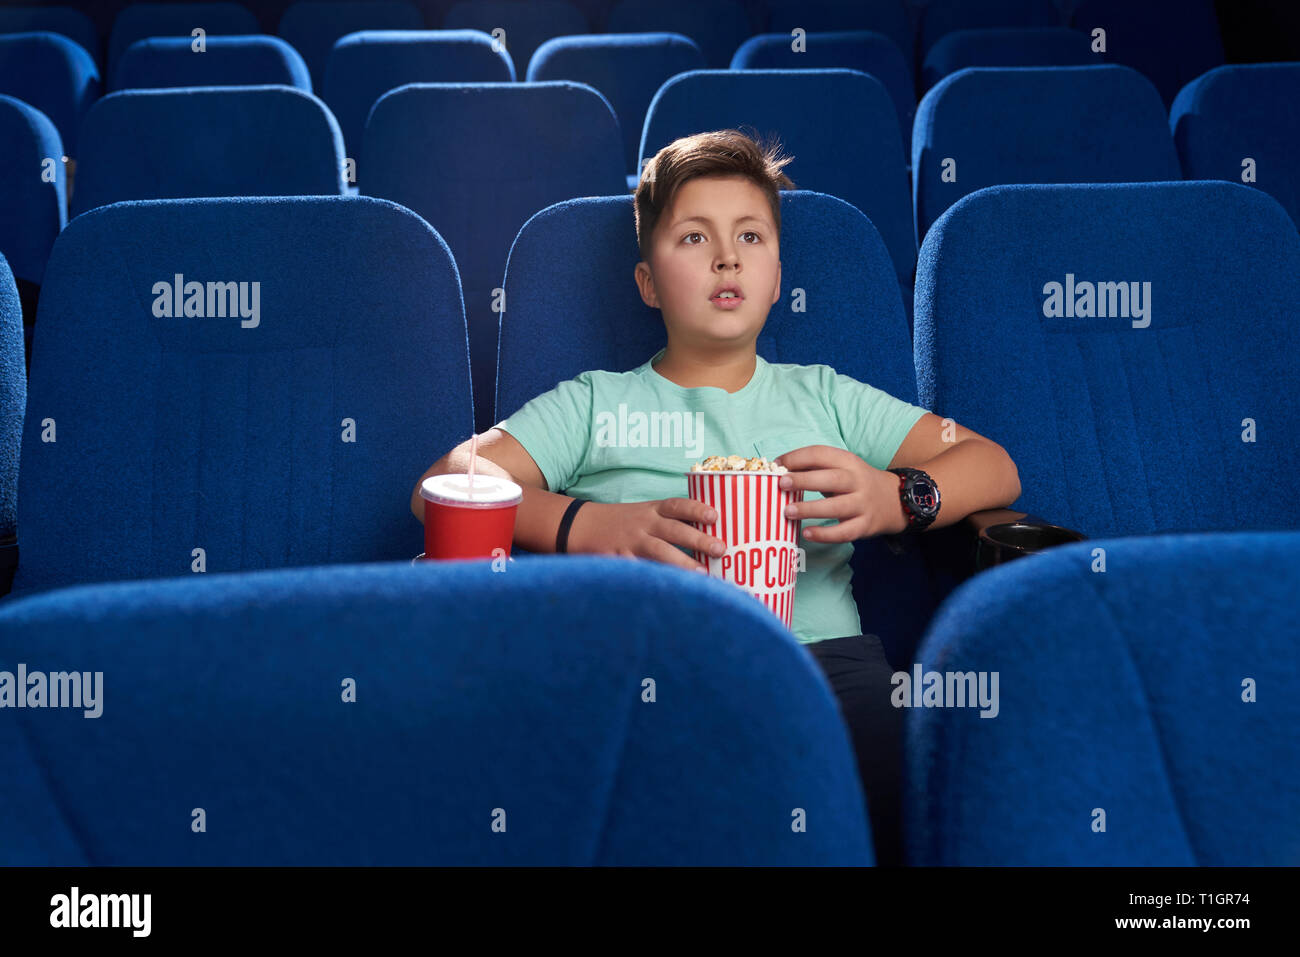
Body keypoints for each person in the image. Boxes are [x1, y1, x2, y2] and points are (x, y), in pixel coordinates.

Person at [411, 129, 1021, 865]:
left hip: (822, 665)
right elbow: (443, 483)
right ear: (647, 282)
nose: (726, 256)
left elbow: (991, 464)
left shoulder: (825, 396)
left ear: (774, 278)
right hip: (645, 664)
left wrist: (900, 497)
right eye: (694, 237)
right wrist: (587, 524)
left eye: (750, 237)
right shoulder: (597, 404)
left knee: (904, 815)